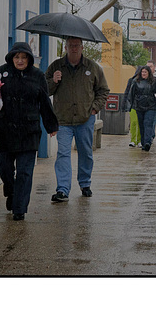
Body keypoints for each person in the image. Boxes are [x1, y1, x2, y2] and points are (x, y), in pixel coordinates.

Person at [0, 42, 58, 221]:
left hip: (29, 132)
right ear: (12, 58)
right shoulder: (2, 72)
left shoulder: (38, 76)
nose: (20, 60)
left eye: (24, 57)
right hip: (5, 131)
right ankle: (11, 192)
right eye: (17, 57)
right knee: (4, 167)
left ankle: (19, 209)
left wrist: (51, 126)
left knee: (25, 172)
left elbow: (45, 103)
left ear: (29, 59)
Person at [46, 36, 110, 201]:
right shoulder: (55, 66)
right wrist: (53, 81)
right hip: (63, 120)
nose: (74, 48)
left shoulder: (93, 67)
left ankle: (85, 183)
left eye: (77, 45)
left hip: (85, 119)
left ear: (82, 47)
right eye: (70, 45)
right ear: (66, 47)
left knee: (85, 153)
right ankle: (62, 189)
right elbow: (44, 90)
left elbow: (103, 90)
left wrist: (95, 108)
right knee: (63, 153)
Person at [125, 65, 156, 151]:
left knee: (148, 123)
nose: (143, 74)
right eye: (142, 72)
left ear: (149, 73)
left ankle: (148, 142)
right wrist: (129, 106)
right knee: (141, 125)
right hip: (139, 106)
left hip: (150, 106)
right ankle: (143, 143)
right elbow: (131, 95)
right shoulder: (136, 81)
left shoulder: (154, 81)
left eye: (145, 72)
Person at [124, 66, 143, 148]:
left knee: (140, 123)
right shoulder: (131, 81)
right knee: (133, 122)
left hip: (142, 105)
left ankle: (139, 140)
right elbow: (127, 92)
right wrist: (124, 103)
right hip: (133, 105)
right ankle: (132, 140)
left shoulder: (145, 82)